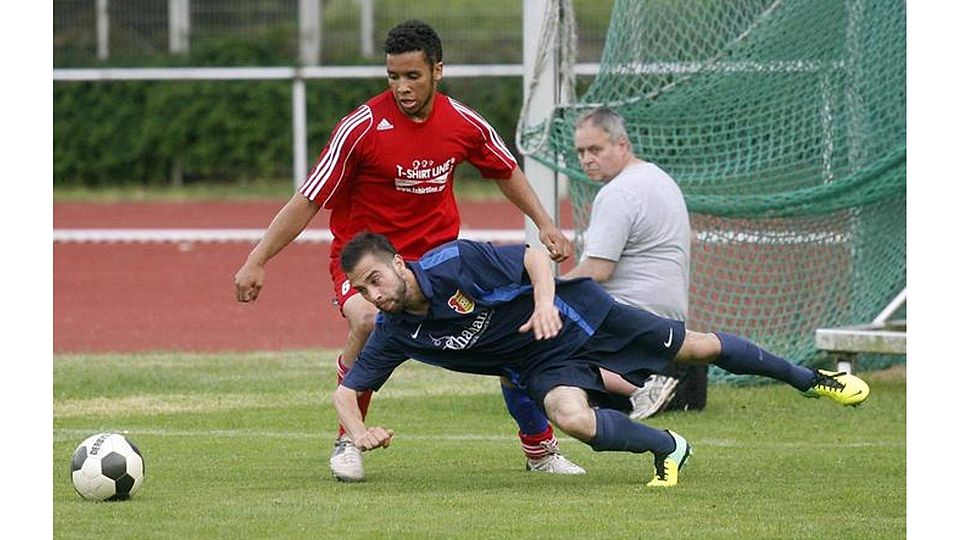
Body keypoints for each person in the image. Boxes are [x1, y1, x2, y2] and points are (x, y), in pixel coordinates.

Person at [234, 19, 582, 482]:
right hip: (366, 260)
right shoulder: (360, 128)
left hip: (438, 261)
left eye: (412, 76)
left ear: (438, 70)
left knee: (507, 334)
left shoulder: (463, 122)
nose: (401, 87)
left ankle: (540, 451)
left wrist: (544, 224)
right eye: (392, 77)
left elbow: (504, 170)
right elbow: (308, 199)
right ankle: (348, 438)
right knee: (367, 319)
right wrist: (257, 259)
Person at [333, 232, 870, 486]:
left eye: (376, 279)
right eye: (363, 289)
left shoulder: (454, 263)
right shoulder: (396, 331)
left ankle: (809, 378)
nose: (374, 294)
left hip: (578, 314)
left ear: (398, 263)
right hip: (539, 363)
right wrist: (356, 431)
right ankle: (669, 448)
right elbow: (344, 389)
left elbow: (534, 256)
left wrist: (543, 303)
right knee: (572, 419)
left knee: (697, 348)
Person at [564, 107, 706, 419]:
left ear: (623, 145)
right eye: (581, 151)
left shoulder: (619, 192)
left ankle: (643, 386)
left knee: (542, 329)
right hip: (670, 323)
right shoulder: (657, 177)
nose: (586, 159)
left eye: (595, 149)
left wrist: (548, 292)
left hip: (633, 321)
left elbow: (597, 271)